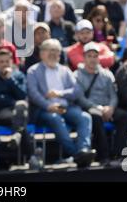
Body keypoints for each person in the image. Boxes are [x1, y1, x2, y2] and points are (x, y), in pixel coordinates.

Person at [27, 39, 95, 167]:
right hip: (45, 109)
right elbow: (33, 94)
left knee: (85, 117)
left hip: (65, 107)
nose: (54, 54)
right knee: (55, 119)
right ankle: (76, 154)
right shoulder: (33, 71)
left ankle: (83, 149)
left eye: (57, 51)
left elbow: (77, 90)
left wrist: (60, 94)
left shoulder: (65, 70)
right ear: (42, 53)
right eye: (50, 50)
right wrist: (48, 106)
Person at [0, 48, 38, 168]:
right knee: (21, 112)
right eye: (1, 62)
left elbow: (23, 95)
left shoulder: (18, 75)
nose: (4, 64)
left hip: (17, 113)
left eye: (7, 61)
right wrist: (14, 103)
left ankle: (17, 135)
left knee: (21, 112)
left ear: (12, 62)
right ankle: (31, 157)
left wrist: (10, 80)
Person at [74, 42, 127, 164]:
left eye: (95, 56)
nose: (93, 59)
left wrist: (110, 108)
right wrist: (98, 108)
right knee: (96, 118)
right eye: (89, 56)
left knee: (124, 116)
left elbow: (113, 95)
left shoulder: (107, 74)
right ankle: (104, 156)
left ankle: (119, 154)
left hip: (107, 108)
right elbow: (80, 98)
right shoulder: (77, 75)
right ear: (84, 57)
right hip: (90, 108)